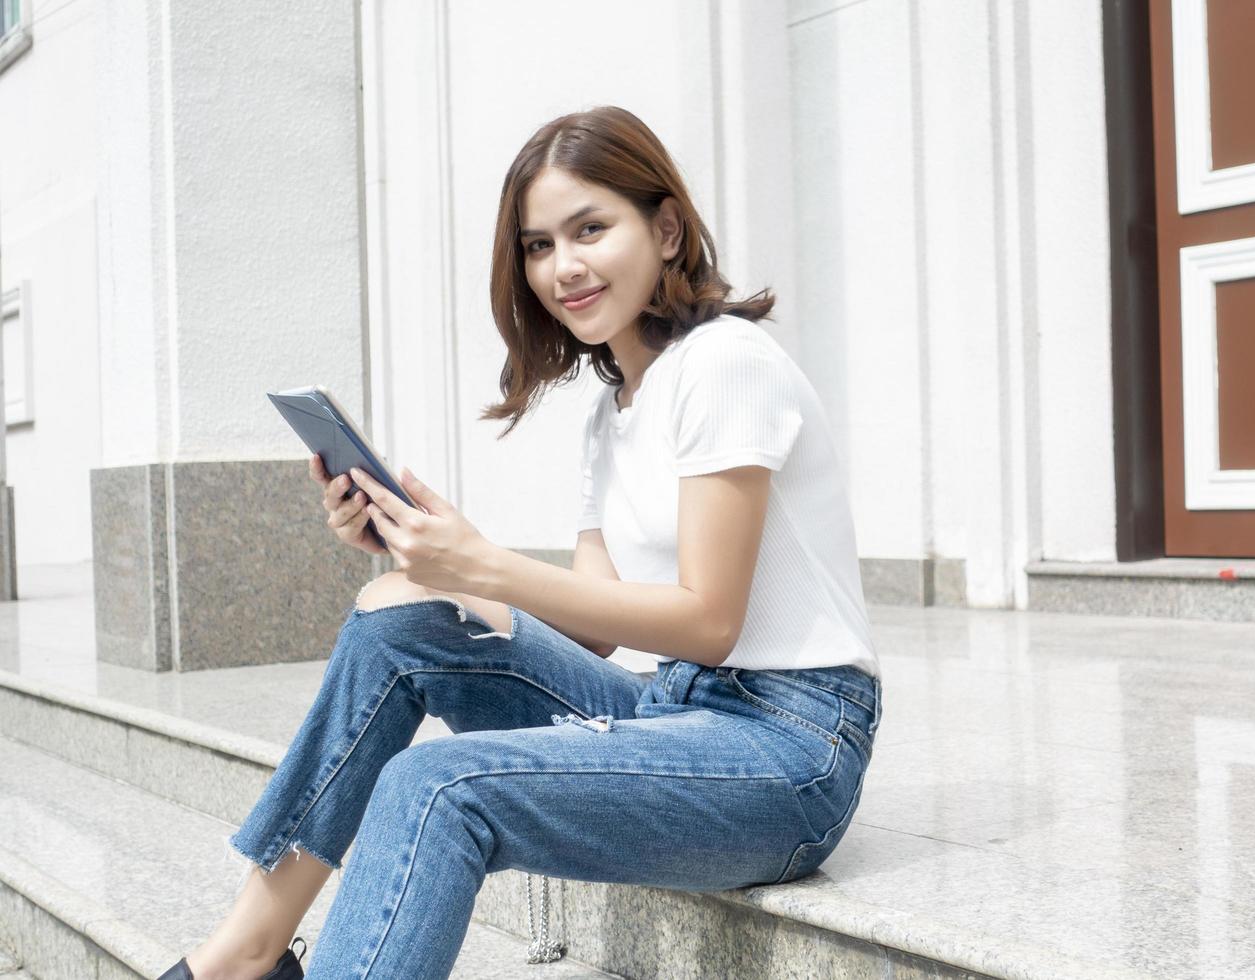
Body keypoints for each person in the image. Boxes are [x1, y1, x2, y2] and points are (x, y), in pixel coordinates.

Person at [159, 104, 881, 980]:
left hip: (789, 752)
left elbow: (708, 622)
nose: (563, 267)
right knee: (399, 623)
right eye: (538, 245)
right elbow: (593, 636)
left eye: (590, 229)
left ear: (665, 227)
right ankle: (247, 952)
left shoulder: (727, 362)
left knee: (438, 787)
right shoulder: (611, 412)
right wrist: (434, 562)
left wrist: (485, 565)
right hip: (673, 712)